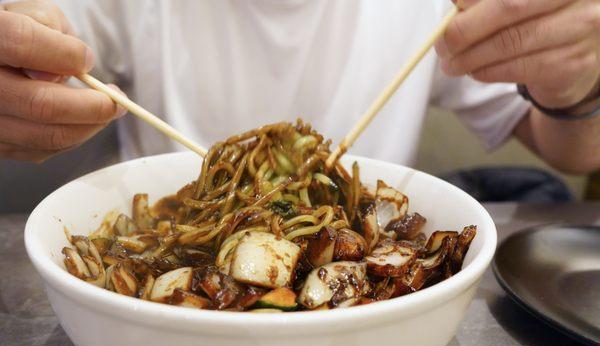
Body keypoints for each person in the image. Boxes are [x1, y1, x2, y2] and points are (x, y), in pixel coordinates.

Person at [0, 0, 598, 174]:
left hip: (370, 306)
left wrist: (581, 82)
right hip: (157, 305)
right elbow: (42, 26)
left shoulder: (439, 6)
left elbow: (574, 150)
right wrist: (24, 56)